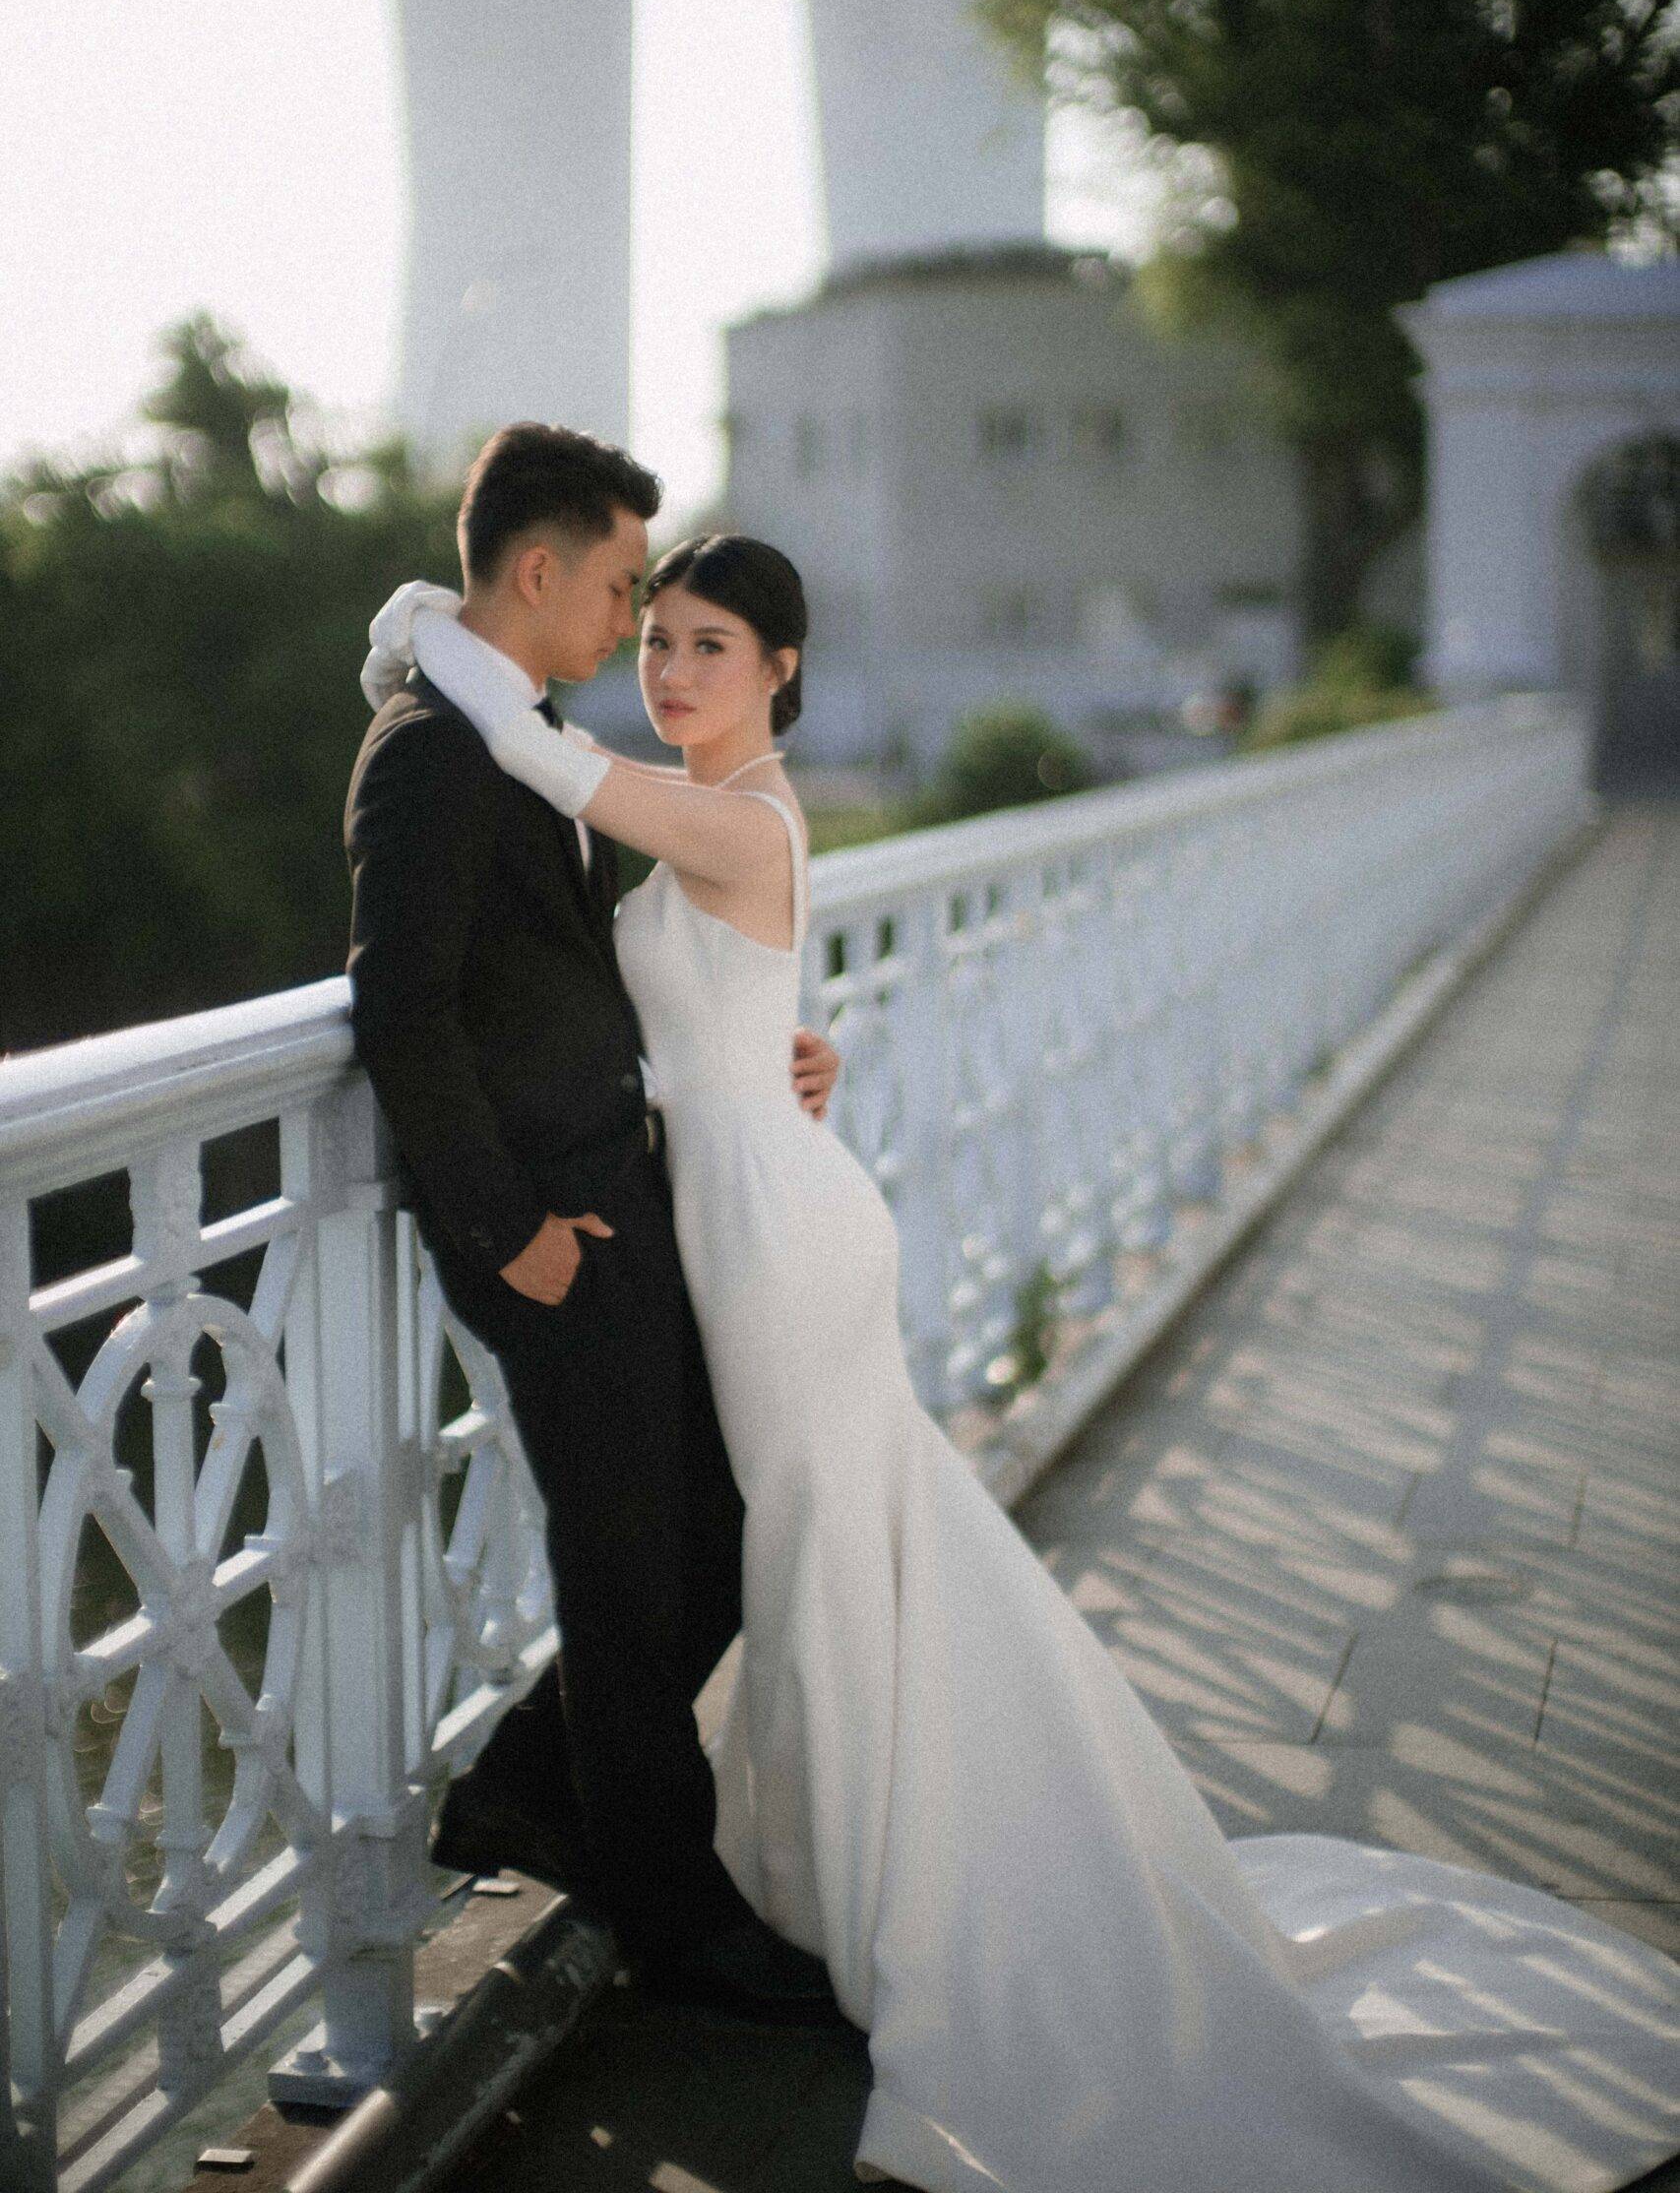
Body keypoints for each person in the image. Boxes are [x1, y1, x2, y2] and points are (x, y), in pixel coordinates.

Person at [366, 533, 1680, 2193]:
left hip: (781, 1249)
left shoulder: (725, 807)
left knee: (826, 1544)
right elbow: (709, 1000)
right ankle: (836, 1865)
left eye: (710, 645)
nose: (671, 671)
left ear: (782, 667)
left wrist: (421, 625)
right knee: (828, 1545)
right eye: (661, 643)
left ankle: (903, 1896)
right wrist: (780, 1057)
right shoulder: (715, 816)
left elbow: (539, 750)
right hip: (753, 1202)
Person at [343, 424, 842, 2022]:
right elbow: (401, 1011)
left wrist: (761, 1051)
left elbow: (579, 979)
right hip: (550, 1227)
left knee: (707, 1533)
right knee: (636, 1570)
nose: (635, 621)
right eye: (627, 585)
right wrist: (508, 1236)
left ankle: (528, 1790)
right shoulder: (431, 748)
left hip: (627, 1196)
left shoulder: (514, 730)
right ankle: (673, 1920)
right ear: (542, 570)